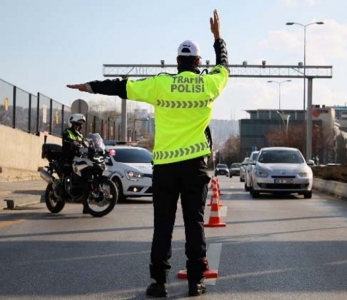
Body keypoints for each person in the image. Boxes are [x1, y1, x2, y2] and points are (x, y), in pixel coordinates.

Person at [66, 9, 229, 297]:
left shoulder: (160, 83)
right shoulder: (209, 83)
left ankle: (159, 283)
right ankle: (195, 282)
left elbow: (121, 87)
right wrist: (218, 38)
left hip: (165, 167)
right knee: (194, 223)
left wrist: (90, 86)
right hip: (195, 167)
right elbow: (224, 66)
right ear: (198, 62)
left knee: (162, 226)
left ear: (177, 62)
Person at [61, 113, 88, 213]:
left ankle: (86, 206)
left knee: (85, 180)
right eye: (76, 124)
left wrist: (90, 146)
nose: (77, 126)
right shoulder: (67, 131)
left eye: (79, 125)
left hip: (78, 159)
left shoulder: (80, 135)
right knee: (67, 174)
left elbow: (85, 144)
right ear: (71, 124)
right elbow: (65, 137)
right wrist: (72, 141)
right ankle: (63, 192)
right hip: (67, 158)